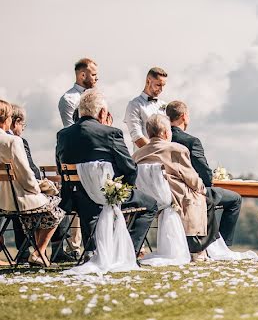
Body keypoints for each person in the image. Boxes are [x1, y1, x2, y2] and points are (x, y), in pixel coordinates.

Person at [56, 89, 158, 255]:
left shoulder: (63, 135)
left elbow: (61, 168)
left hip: (74, 198)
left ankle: (92, 250)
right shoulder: (111, 133)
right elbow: (130, 168)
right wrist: (124, 190)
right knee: (151, 205)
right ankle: (128, 250)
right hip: (106, 194)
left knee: (88, 201)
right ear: (103, 112)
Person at [133, 114, 219, 259]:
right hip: (177, 198)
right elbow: (191, 178)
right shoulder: (177, 150)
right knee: (206, 198)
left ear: (148, 133)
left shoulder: (137, 154)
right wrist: (202, 188)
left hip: (150, 200)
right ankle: (198, 248)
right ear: (166, 133)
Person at [166, 101, 242, 246]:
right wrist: (207, 184)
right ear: (184, 116)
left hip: (166, 194)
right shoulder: (191, 141)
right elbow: (204, 173)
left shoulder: (162, 140)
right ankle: (223, 246)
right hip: (191, 193)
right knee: (235, 199)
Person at [0, 99, 63, 266]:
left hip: (2, 202)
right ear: (6, 119)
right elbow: (26, 175)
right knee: (56, 207)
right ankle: (39, 252)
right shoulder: (13, 141)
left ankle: (35, 253)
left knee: (38, 210)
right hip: (18, 201)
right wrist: (38, 188)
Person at [124, 67, 168, 149]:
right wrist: (157, 153)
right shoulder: (134, 105)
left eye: (163, 85)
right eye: (158, 85)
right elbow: (137, 136)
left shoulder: (164, 105)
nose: (161, 89)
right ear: (148, 81)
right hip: (144, 158)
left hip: (165, 158)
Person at [58, 58, 98, 128]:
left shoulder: (98, 97)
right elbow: (70, 129)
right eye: (93, 75)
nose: (97, 78)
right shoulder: (68, 99)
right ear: (83, 75)